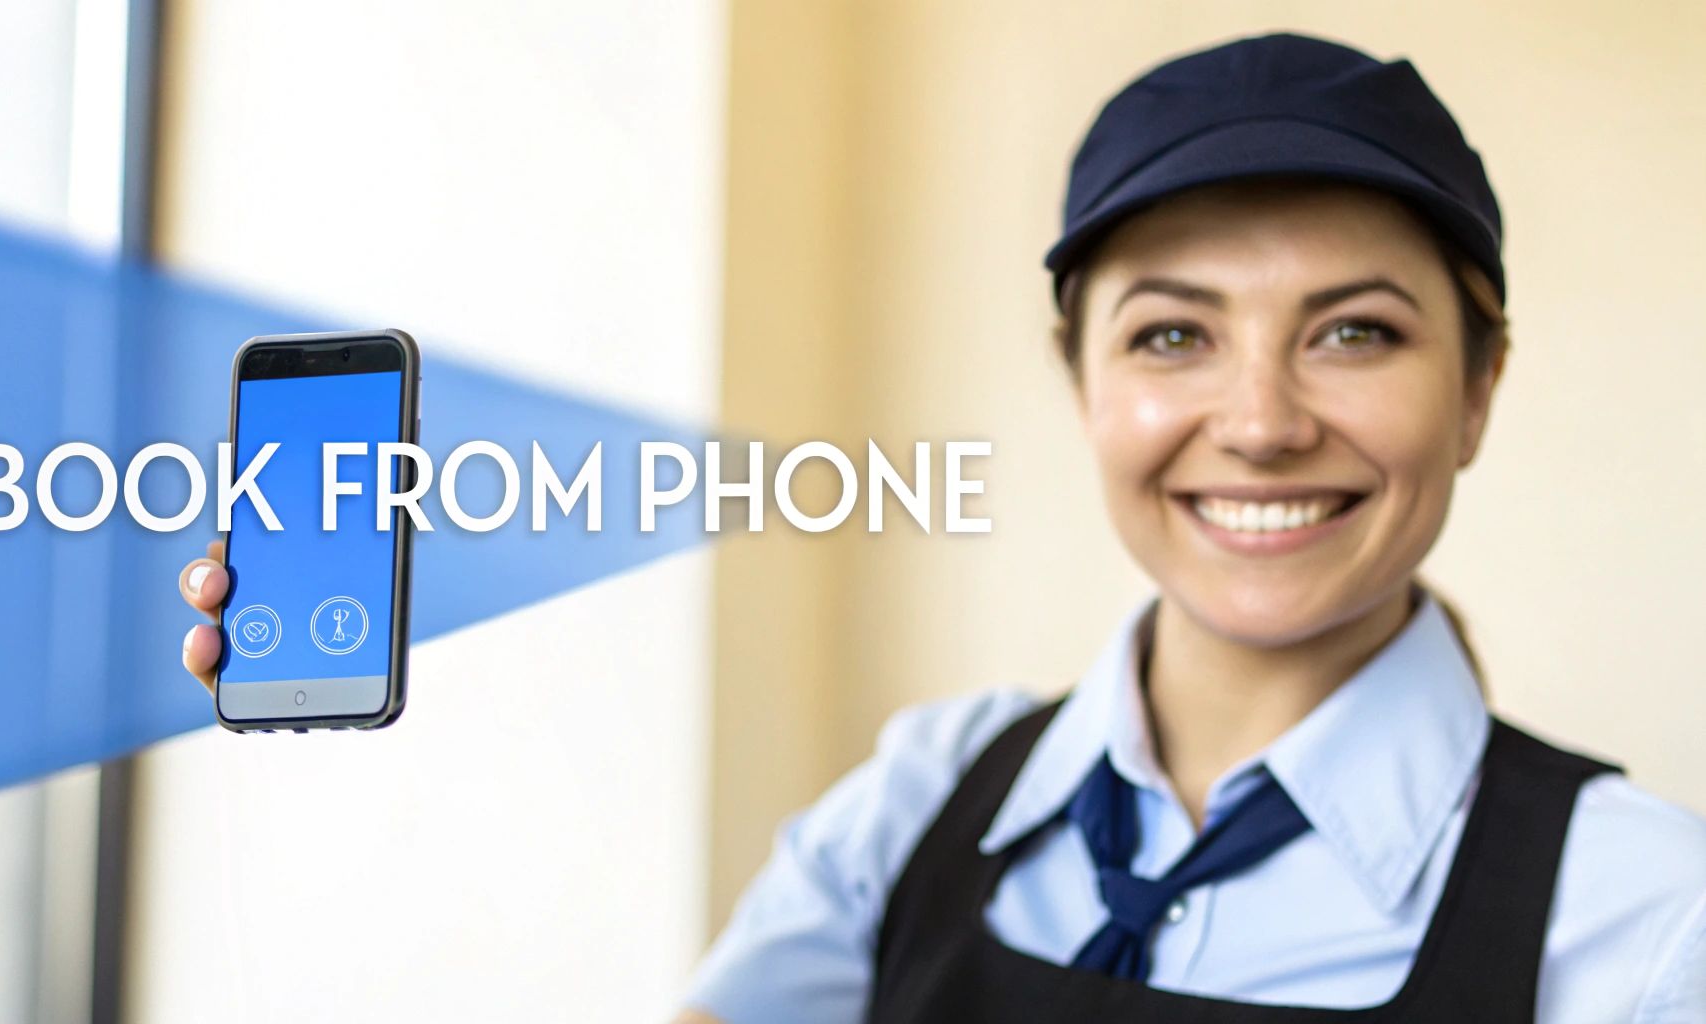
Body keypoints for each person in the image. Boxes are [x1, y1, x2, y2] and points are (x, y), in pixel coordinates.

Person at [175, 31, 1706, 1023]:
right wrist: (427, 733)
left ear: (1482, 386)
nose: (1258, 421)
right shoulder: (920, 801)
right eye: (1173, 336)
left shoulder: (1644, 920)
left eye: (1355, 334)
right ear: (1078, 376)